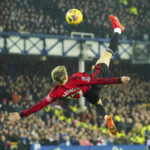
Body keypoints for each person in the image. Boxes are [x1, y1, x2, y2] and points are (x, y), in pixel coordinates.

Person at [8, 15, 130, 136]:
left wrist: (21, 114)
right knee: (108, 53)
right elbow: (96, 81)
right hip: (95, 80)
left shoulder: (55, 92)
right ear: (66, 74)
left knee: (98, 104)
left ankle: (106, 117)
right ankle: (117, 29)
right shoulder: (76, 79)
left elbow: (39, 105)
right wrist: (118, 80)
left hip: (87, 94)